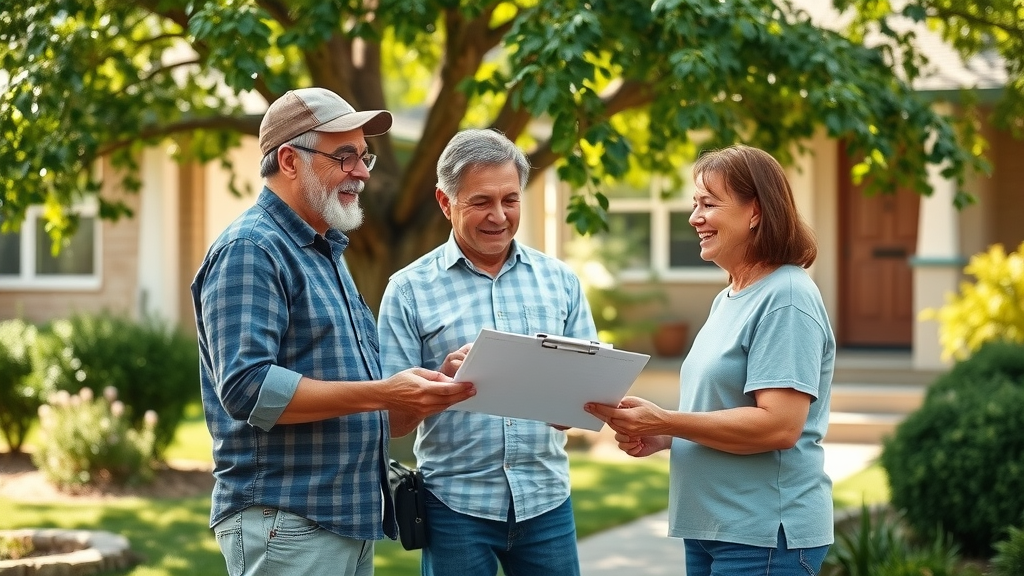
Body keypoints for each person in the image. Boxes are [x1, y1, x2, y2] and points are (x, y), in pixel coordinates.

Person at [191, 87, 476, 576]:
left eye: (364, 156)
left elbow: (363, 408)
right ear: (289, 160)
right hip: (288, 521)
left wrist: (424, 391)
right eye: (344, 156)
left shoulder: (324, 252)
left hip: (343, 520)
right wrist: (382, 390)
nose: (363, 172)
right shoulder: (251, 249)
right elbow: (248, 389)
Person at [586, 144, 836, 576]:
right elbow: (719, 411)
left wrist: (666, 421)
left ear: (754, 211)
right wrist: (665, 438)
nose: (694, 217)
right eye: (694, 203)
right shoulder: (729, 298)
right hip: (711, 528)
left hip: (762, 536)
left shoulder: (786, 297)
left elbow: (779, 425)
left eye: (708, 203)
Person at [377, 128, 598, 576]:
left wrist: (572, 398)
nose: (498, 216)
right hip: (454, 507)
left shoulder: (561, 281)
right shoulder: (407, 290)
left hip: (546, 500)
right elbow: (392, 422)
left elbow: (586, 407)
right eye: (480, 202)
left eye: (510, 200)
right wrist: (437, 382)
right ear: (445, 202)